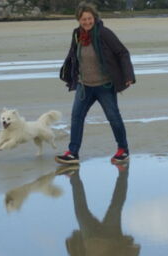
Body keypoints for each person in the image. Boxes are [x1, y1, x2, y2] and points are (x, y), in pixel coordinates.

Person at [56, 2, 135, 165]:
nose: (87, 22)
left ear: (94, 17)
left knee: (113, 117)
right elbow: (73, 55)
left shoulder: (104, 33)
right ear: (79, 20)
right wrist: (68, 73)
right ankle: (73, 153)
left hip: (104, 86)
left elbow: (122, 53)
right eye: (83, 19)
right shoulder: (77, 34)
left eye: (89, 18)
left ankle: (123, 150)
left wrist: (128, 75)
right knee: (76, 117)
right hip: (84, 86)